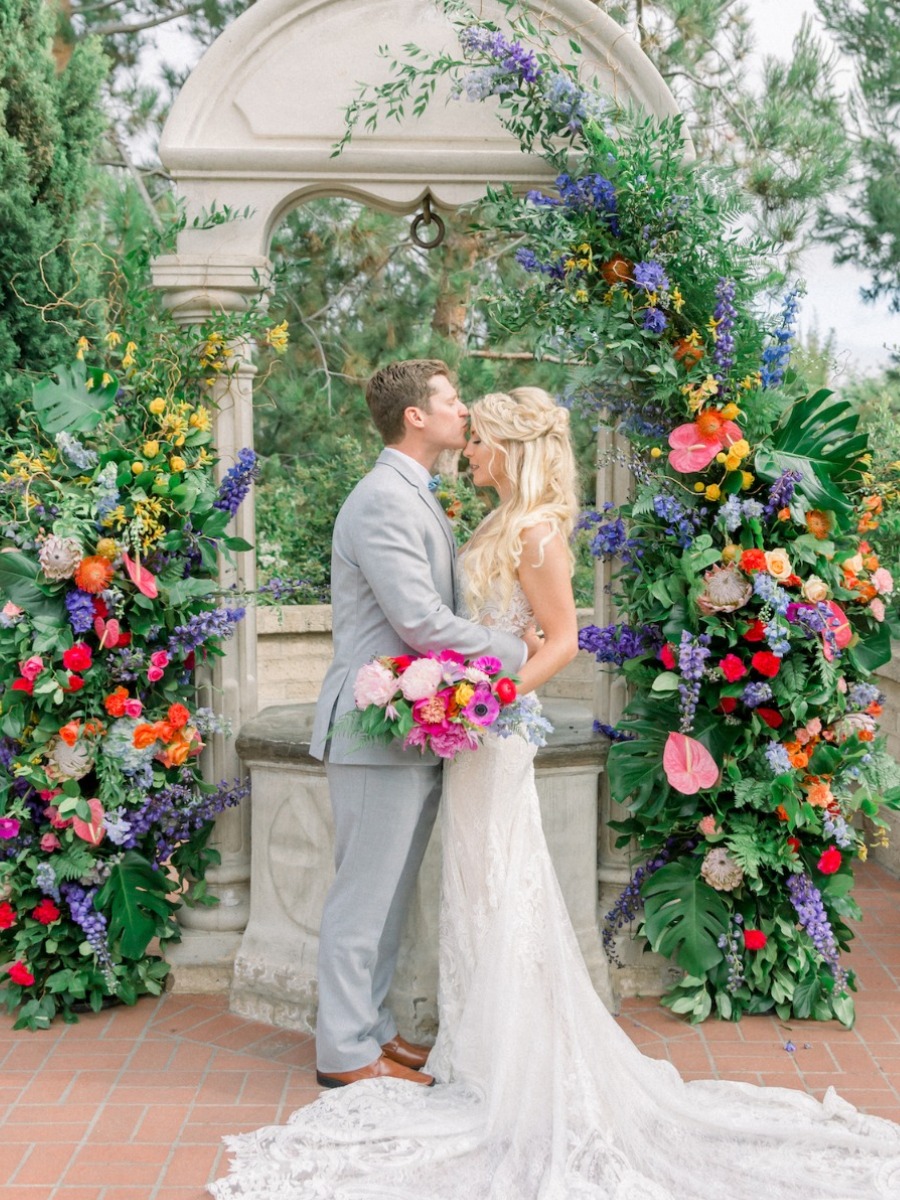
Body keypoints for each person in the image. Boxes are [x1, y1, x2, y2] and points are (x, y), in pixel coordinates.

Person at [211, 388, 900, 1199]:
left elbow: (562, 640)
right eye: (456, 415)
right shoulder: (459, 513)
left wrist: (493, 697)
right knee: (431, 889)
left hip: (483, 735)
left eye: (479, 434)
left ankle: (446, 1047)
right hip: (444, 731)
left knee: (493, 890)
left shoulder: (530, 529)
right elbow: (431, 618)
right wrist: (482, 679)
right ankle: (384, 1046)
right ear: (416, 417)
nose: (468, 440)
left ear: (509, 447)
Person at [306, 360, 530, 1090]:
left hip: (408, 724)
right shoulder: (382, 500)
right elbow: (419, 621)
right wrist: (508, 651)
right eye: (451, 399)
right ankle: (343, 1053)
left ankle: (372, 1032)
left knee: (390, 896)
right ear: (415, 417)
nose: (462, 411)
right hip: (373, 730)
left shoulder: (414, 494)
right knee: (362, 898)